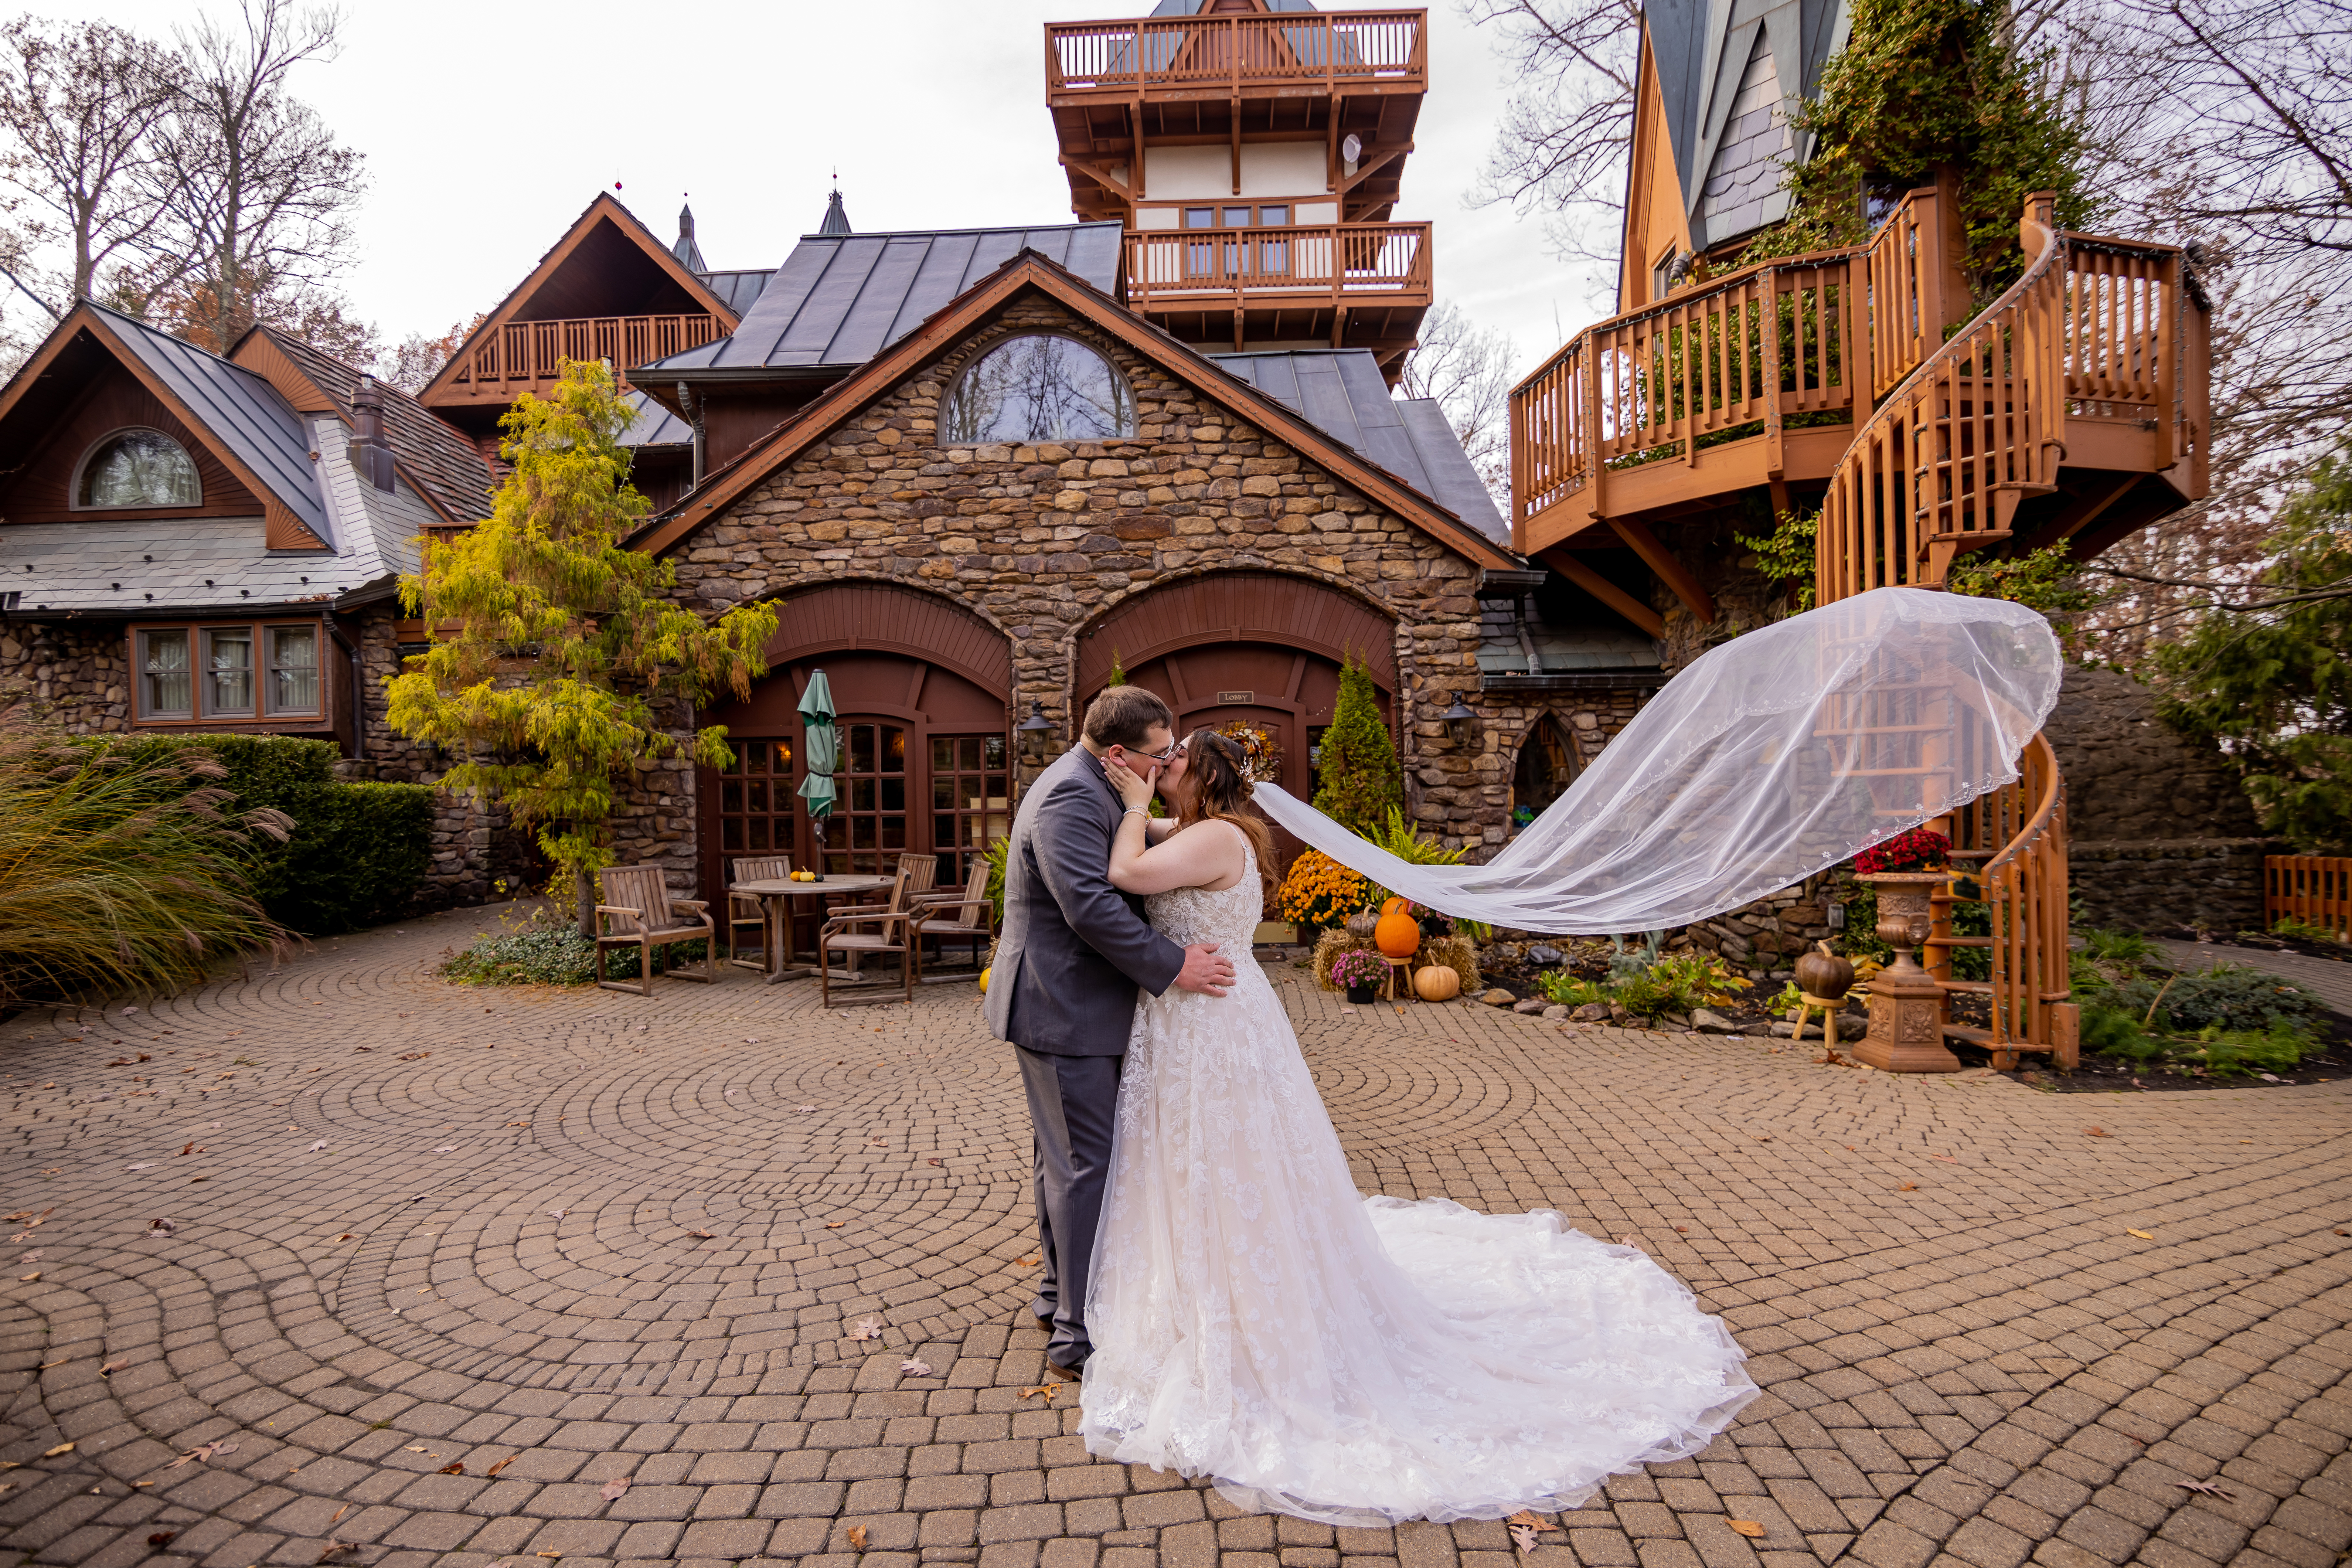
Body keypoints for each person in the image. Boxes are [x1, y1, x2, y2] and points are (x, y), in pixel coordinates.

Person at [1078, 728, 1760, 1526]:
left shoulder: (1212, 838)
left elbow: (1127, 868)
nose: (1162, 768)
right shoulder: (1203, 830)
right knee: (1210, 1167)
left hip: (1213, 1024)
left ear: (1203, 777)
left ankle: (1252, 1323)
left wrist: (1127, 800)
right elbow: (1148, 841)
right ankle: (1204, 1293)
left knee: (1229, 1164)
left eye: (1175, 759)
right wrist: (1129, 789)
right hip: (1202, 1019)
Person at [983, 686, 1237, 1380]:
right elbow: (1089, 907)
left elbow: (1136, 851)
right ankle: (1075, 1335)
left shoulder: (1091, 783)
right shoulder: (1072, 796)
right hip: (1064, 1008)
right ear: (1119, 753)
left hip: (1067, 1004)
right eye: (1161, 757)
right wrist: (1172, 964)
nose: (1166, 767)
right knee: (1083, 1167)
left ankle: (1054, 1295)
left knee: (1062, 1162)